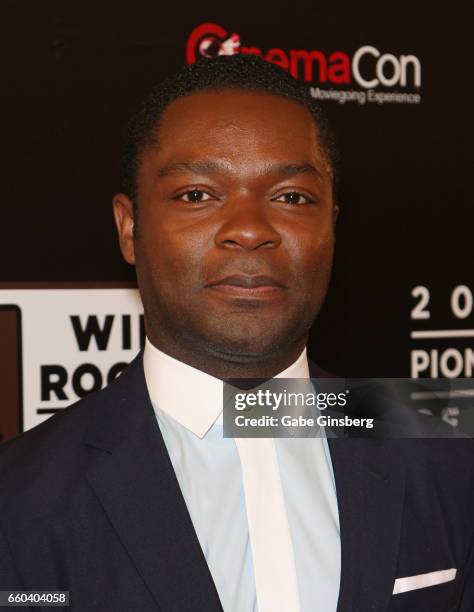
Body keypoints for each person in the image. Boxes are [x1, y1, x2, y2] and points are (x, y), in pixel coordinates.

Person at [0, 54, 473, 612]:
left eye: (292, 197)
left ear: (332, 226)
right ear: (130, 228)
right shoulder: (18, 500)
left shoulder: (447, 452)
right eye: (198, 194)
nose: (250, 230)